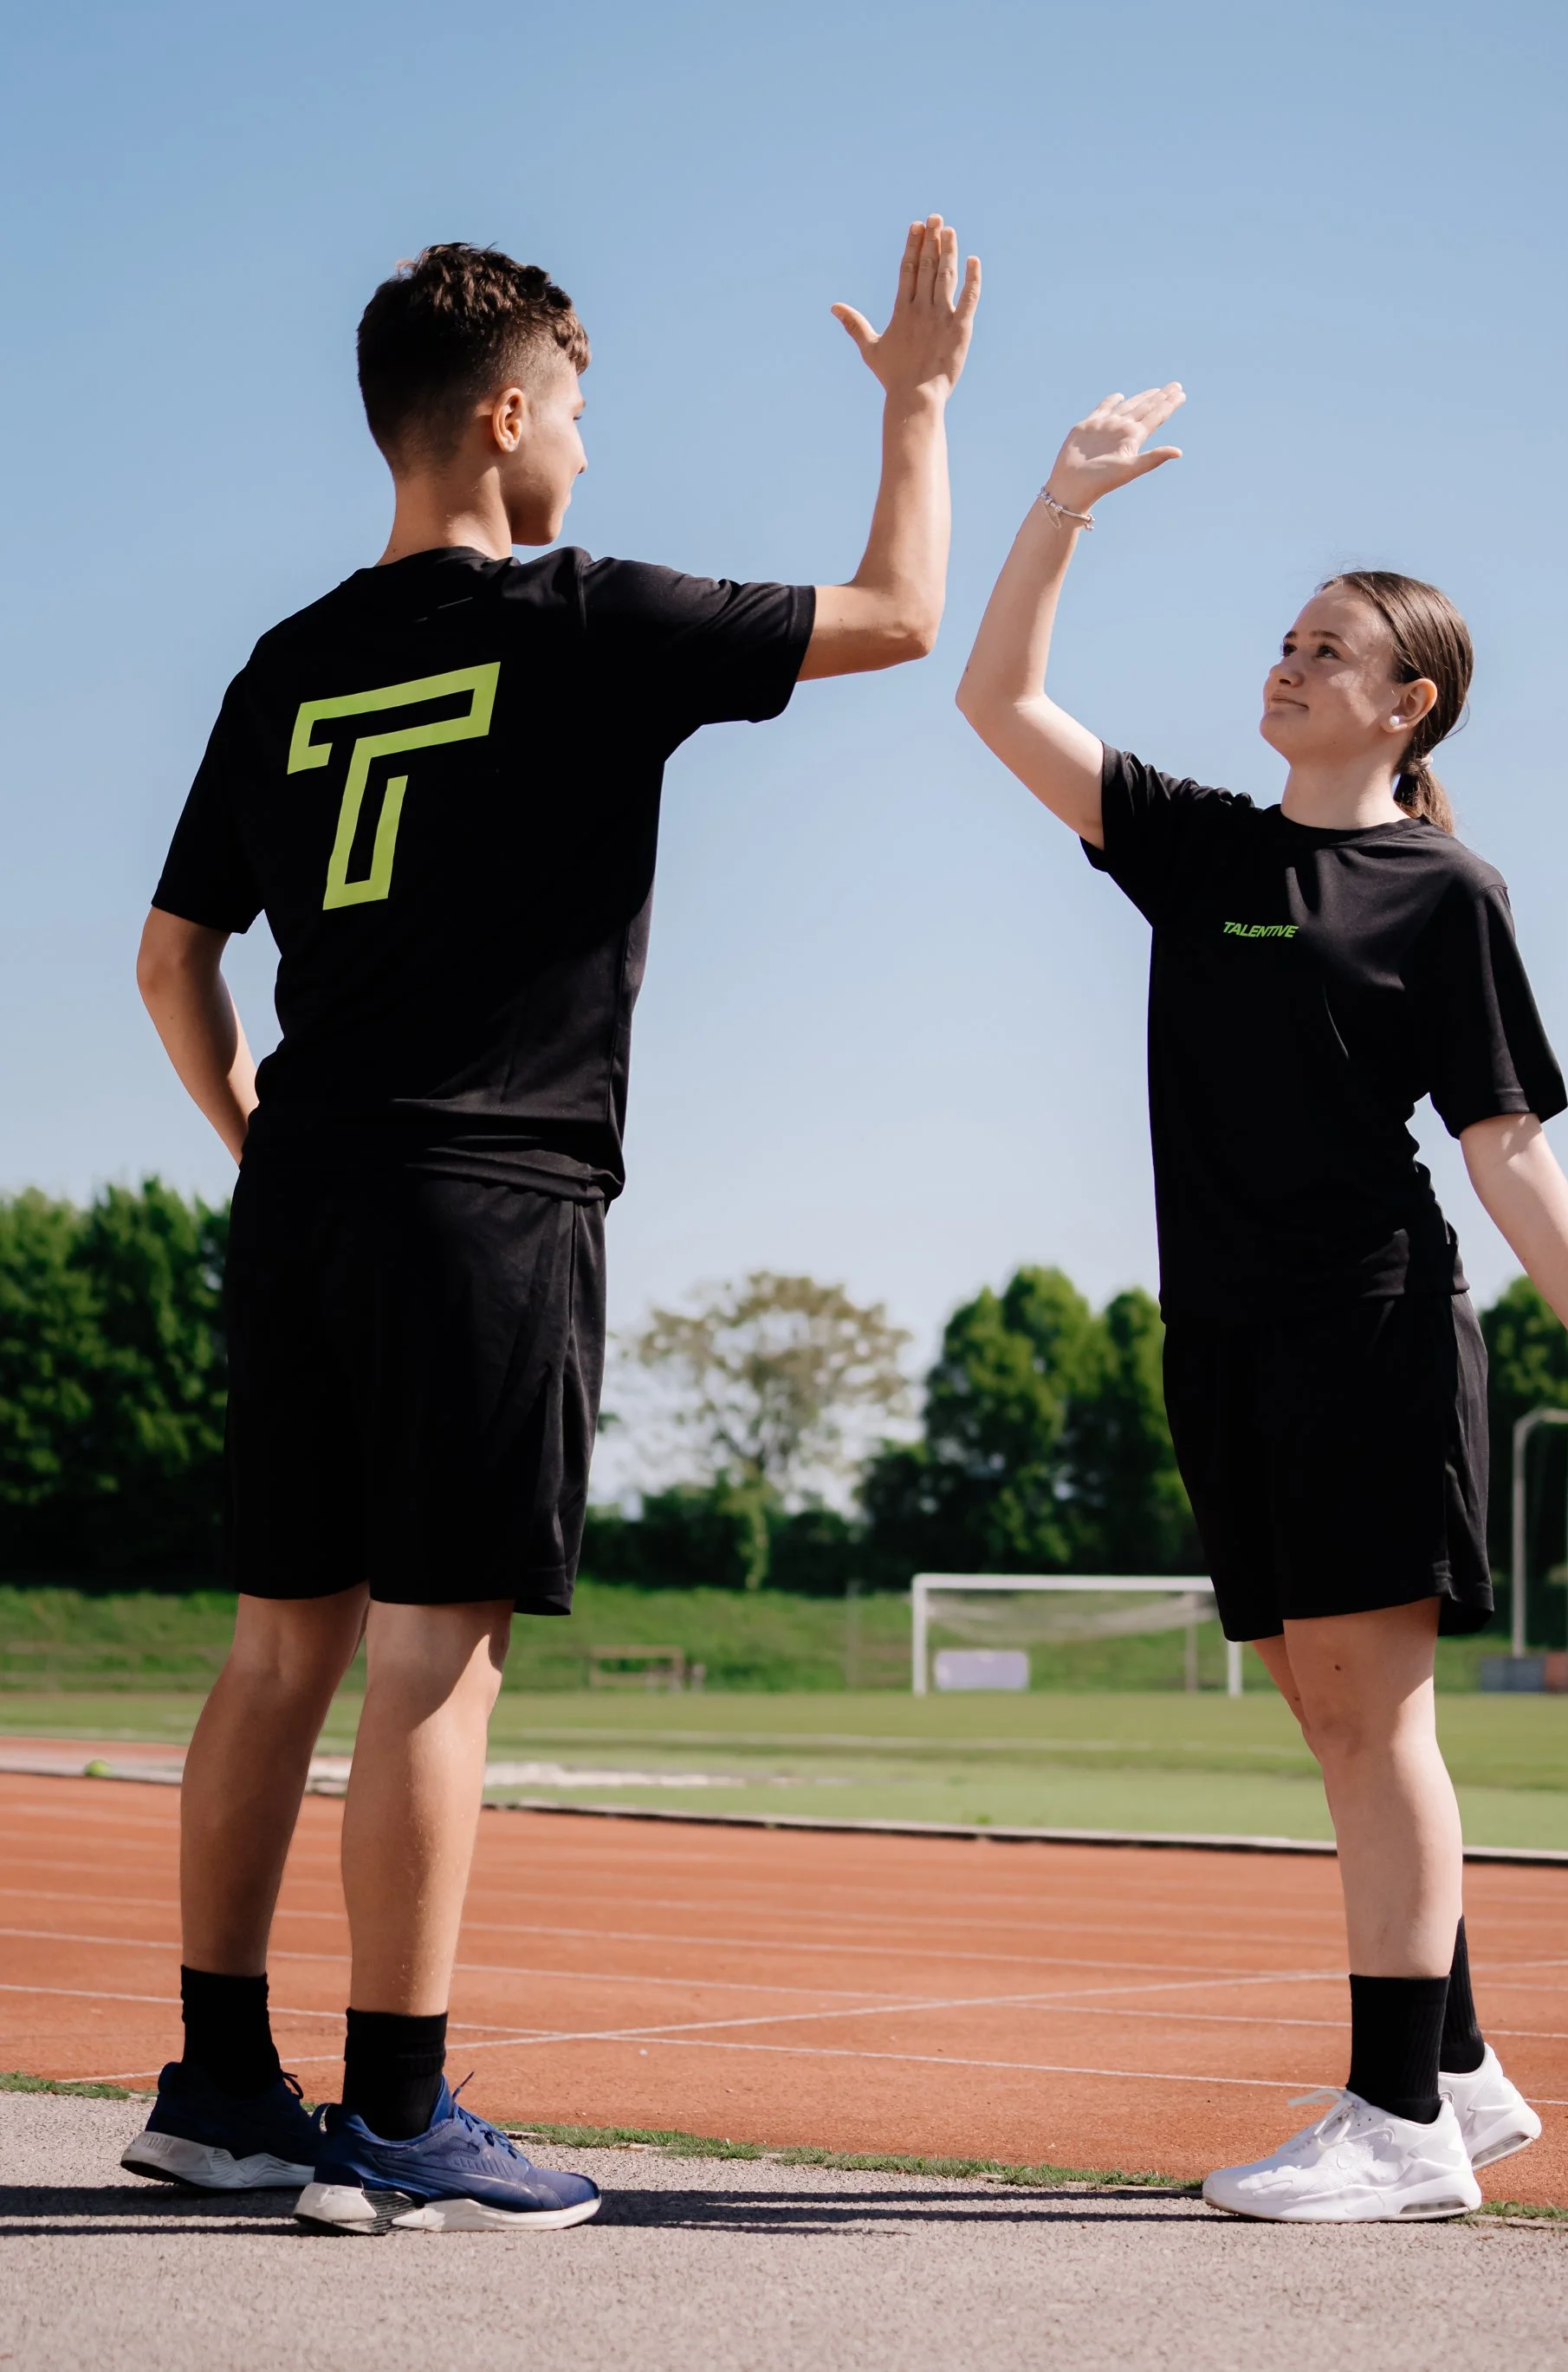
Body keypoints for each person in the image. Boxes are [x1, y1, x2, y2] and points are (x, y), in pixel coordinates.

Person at [125, 221, 979, 2235]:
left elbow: (171, 962)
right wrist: (922, 405)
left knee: (276, 1651)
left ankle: (220, 2085)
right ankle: (401, 2115)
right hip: (489, 1199)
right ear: (505, 417)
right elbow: (902, 613)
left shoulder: (286, 659)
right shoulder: (583, 619)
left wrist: (259, 1138)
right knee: (439, 1648)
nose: (590, 450)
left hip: (307, 1188)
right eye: (578, 412)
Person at [954, 386, 1568, 2223]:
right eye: (1284, 640)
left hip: (1368, 1330)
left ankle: (1399, 2130)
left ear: (1408, 704)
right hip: (1218, 1340)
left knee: (1381, 1725)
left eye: (1329, 650)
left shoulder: (1444, 891)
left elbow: (1507, 1147)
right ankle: (1457, 2065)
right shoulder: (1203, 849)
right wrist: (1062, 505)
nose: (1286, 664)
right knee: (1329, 1710)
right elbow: (998, 704)